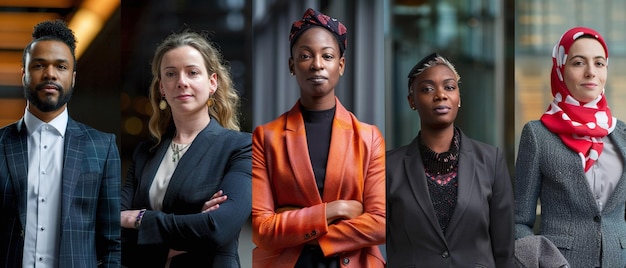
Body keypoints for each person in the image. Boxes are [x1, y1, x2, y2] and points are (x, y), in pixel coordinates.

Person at [251, 8, 386, 268]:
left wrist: (296, 226)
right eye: (305, 56)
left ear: (341, 65)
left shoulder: (369, 137)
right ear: (292, 66)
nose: (317, 64)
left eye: (327, 56)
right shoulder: (266, 137)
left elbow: (380, 223)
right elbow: (262, 229)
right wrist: (337, 210)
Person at [120, 30, 252, 267]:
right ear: (162, 87)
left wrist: (139, 218)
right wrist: (191, 224)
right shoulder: (145, 153)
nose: (181, 81)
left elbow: (217, 228)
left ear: (212, 83)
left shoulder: (240, 147)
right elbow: (110, 229)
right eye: (171, 74)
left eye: (192, 72)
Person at [0, 20, 121, 267]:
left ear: (73, 77)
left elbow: (113, 243)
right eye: (39, 65)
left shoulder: (103, 147)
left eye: (61, 66)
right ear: (24, 74)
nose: (50, 74)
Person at [386, 53, 515, 267]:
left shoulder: (491, 161)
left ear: (459, 98)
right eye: (427, 89)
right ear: (411, 101)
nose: (440, 95)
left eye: (449, 87)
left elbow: (505, 251)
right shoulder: (388, 167)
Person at [515, 26, 626, 267]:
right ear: (560, 69)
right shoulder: (537, 135)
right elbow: (518, 222)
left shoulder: (622, 134)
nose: (590, 72)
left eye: (599, 63)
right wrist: (546, 262)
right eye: (578, 63)